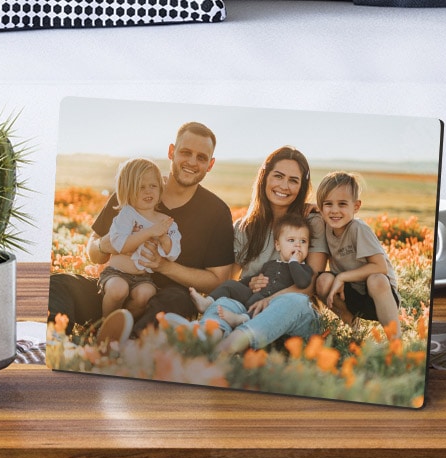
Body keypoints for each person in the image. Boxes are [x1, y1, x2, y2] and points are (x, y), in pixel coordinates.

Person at [78, 122, 234, 343]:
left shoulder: (216, 212)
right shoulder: (134, 189)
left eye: (201, 157)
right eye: (186, 152)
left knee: (173, 302)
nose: (192, 162)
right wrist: (105, 245)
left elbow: (217, 280)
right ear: (171, 152)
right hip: (115, 286)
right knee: (62, 286)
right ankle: (76, 333)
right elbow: (94, 250)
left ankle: (127, 343)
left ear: (210, 164)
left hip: (168, 296)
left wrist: (164, 266)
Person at [168, 146, 330, 355]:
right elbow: (228, 278)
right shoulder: (245, 227)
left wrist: (268, 300)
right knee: (226, 301)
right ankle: (207, 335)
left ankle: (229, 346)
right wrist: (250, 282)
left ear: (302, 187)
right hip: (250, 310)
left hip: (294, 318)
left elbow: (310, 287)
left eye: (293, 180)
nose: (284, 186)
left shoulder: (311, 222)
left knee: (294, 301)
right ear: (264, 178)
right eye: (278, 176)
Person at [313, 171, 401, 337]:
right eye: (328, 204)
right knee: (323, 281)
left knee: (376, 279)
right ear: (320, 207)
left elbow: (380, 267)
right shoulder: (325, 227)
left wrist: (342, 277)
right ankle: (354, 329)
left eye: (342, 204)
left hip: (379, 297)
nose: (334, 210)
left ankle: (395, 340)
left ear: (356, 207)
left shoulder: (358, 228)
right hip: (350, 295)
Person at [191, 212, 314, 329]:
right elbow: (251, 279)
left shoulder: (304, 269)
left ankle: (241, 319)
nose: (298, 245)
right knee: (230, 285)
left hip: (272, 304)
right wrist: (240, 286)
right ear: (278, 245)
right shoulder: (270, 264)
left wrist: (294, 262)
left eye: (303, 241)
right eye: (291, 240)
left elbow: (302, 282)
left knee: (260, 306)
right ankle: (208, 302)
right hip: (254, 295)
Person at [98, 158, 181, 318]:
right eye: (141, 187)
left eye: (153, 186)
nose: (148, 191)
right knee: (118, 290)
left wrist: (164, 240)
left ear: (160, 188)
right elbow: (120, 245)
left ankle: (124, 325)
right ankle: (105, 324)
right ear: (127, 190)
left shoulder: (166, 221)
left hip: (143, 277)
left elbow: (174, 253)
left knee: (146, 294)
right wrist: (149, 232)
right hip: (117, 273)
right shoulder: (127, 214)